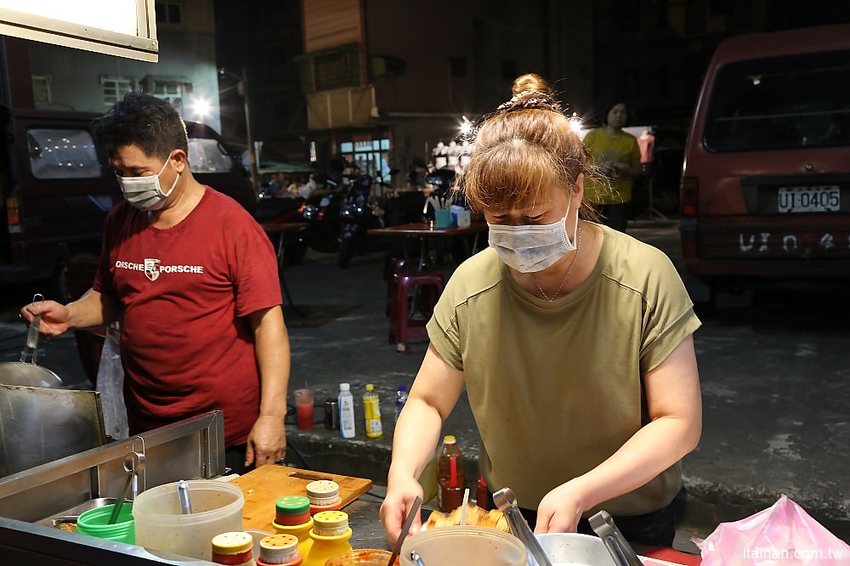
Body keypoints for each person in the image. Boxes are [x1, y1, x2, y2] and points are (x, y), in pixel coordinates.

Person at [379, 74, 701, 547]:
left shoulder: (644, 277)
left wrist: (583, 490)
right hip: (511, 513)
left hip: (626, 519)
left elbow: (680, 421)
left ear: (576, 189)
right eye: (499, 220)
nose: (516, 233)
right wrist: (403, 472)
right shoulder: (471, 285)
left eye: (533, 218)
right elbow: (428, 401)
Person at [20, 93, 290, 474]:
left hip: (224, 430)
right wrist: (69, 314)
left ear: (177, 160)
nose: (127, 184)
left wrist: (272, 417)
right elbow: (110, 296)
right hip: (149, 427)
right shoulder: (121, 221)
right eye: (120, 172)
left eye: (137, 171)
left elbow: (269, 327)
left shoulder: (231, 225)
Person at [583, 101, 643, 232]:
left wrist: (624, 168)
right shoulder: (593, 136)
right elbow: (581, 165)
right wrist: (599, 169)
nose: (619, 116)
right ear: (607, 114)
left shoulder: (630, 141)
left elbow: (638, 170)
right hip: (594, 198)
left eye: (623, 113)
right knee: (593, 239)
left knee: (617, 238)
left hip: (619, 199)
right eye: (615, 112)